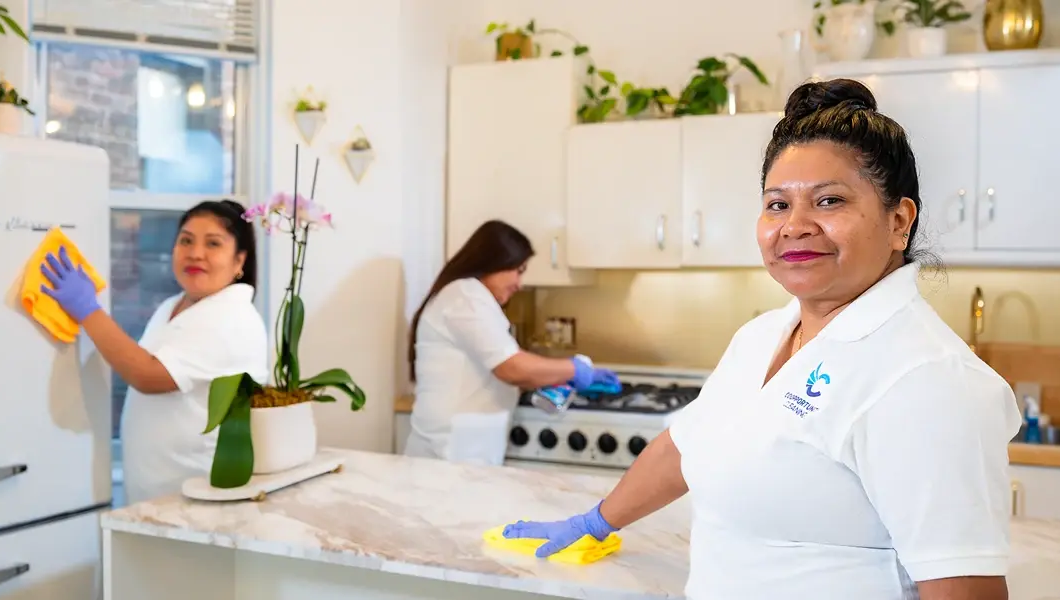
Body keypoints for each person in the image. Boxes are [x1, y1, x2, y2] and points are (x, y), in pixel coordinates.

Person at [503, 80, 1020, 600]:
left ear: (898, 221)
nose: (794, 226)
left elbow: (962, 587)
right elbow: (685, 446)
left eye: (829, 200)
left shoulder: (927, 379)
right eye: (777, 205)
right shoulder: (762, 336)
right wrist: (596, 520)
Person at [41, 200, 269, 504]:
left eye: (213, 243)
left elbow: (147, 375)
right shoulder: (174, 305)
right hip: (156, 492)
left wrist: (87, 309)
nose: (195, 253)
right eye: (186, 240)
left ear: (239, 261)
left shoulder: (231, 319)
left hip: (198, 497)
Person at [404, 220, 619, 463]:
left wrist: (556, 376)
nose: (520, 284)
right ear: (494, 262)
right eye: (519, 270)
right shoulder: (466, 296)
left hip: (464, 453)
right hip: (449, 454)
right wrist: (575, 369)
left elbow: (504, 364)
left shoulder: (469, 297)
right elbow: (512, 368)